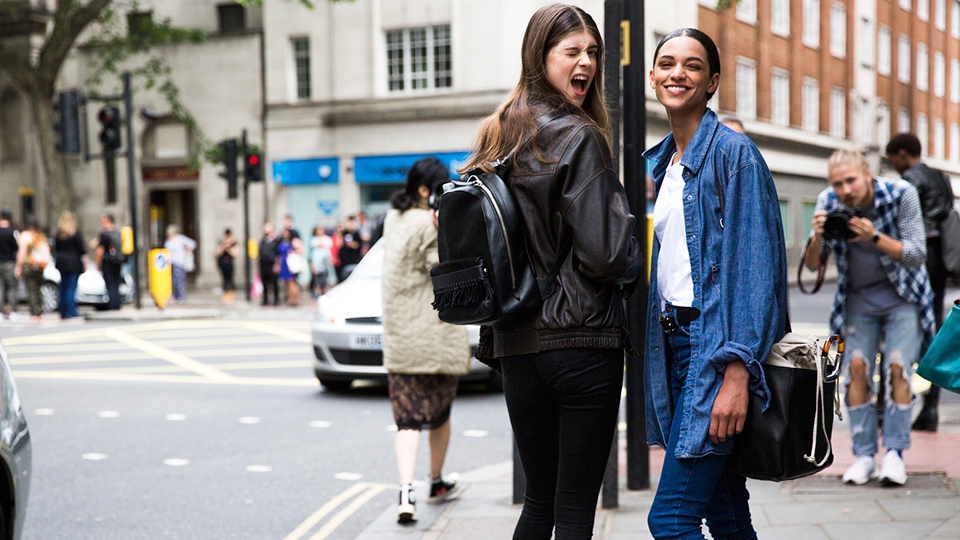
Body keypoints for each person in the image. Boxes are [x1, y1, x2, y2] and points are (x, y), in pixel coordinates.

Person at [464, 5, 643, 538]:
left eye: (593, 52)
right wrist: (635, 254)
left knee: (538, 503)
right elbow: (607, 254)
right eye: (572, 51)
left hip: (516, 344)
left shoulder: (496, 135)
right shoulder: (578, 136)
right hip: (582, 341)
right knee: (571, 514)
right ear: (540, 58)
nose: (586, 62)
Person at [641, 28, 788, 539]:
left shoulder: (734, 155)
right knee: (725, 513)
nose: (677, 73)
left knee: (671, 520)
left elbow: (756, 273)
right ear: (653, 76)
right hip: (676, 345)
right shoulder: (664, 163)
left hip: (714, 353)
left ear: (712, 82)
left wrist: (736, 372)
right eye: (667, 63)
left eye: (693, 65)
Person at [804, 148, 934, 487]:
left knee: (898, 368)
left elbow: (917, 254)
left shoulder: (901, 194)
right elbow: (812, 264)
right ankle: (863, 456)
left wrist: (872, 236)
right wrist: (818, 234)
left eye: (851, 180)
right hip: (857, 302)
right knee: (856, 369)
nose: (845, 190)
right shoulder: (828, 201)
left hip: (902, 299)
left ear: (867, 173)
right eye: (837, 183)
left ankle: (894, 453)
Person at [381, 157, 470, 524]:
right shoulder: (428, 224)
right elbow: (445, 267)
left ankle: (405, 491)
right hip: (433, 337)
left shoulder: (393, 218)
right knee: (439, 414)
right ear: (423, 191)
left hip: (401, 336)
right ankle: (434, 482)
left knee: (407, 421)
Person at [885, 133, 955, 432]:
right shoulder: (940, 176)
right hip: (940, 260)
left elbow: (902, 220)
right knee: (936, 325)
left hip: (916, 260)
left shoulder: (909, 180)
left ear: (901, 154)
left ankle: (886, 404)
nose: (894, 165)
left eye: (892, 159)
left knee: (899, 325)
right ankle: (931, 408)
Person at [15, 215, 52, 322]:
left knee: (30, 288)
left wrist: (18, 266)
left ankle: (34, 312)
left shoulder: (25, 235)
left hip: (29, 264)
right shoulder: (39, 235)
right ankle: (39, 311)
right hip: (39, 266)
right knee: (38, 288)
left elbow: (22, 252)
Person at [54, 211, 86, 321]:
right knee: (71, 288)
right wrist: (84, 263)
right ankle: (72, 311)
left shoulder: (58, 234)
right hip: (73, 262)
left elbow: (56, 249)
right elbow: (82, 250)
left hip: (61, 262)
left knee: (63, 287)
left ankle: (63, 312)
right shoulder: (75, 233)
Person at [96, 213, 123, 311]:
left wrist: (97, 264)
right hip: (117, 262)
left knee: (110, 285)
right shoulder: (117, 233)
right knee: (116, 284)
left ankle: (113, 306)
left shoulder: (104, 234)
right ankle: (117, 304)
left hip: (107, 262)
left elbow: (100, 251)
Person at [164, 225, 196, 303]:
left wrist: (187, 251)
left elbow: (192, 244)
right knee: (172, 281)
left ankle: (181, 296)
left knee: (179, 280)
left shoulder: (180, 238)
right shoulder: (168, 240)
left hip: (179, 262)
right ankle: (174, 296)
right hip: (170, 263)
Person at [276, 228, 303, 306]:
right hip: (283, 263)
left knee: (292, 283)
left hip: (290, 264)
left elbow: (300, 251)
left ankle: (296, 299)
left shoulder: (293, 242)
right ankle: (290, 299)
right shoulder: (281, 242)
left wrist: (292, 252)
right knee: (287, 283)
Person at [0, 208, 18, 318]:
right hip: (9, 262)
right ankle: (12, 311)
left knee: (0, 288)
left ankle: (1, 312)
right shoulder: (11, 232)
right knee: (11, 288)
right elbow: (16, 248)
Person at [258, 222, 281, 306]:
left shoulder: (276, 241)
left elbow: (278, 254)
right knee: (265, 283)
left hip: (272, 264)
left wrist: (277, 264)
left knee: (274, 283)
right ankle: (265, 300)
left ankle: (276, 299)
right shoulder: (263, 241)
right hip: (264, 265)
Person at [216, 228, 239, 304]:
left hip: (230, 263)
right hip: (223, 264)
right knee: (224, 280)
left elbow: (234, 254)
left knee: (230, 280)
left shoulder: (234, 243)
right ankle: (225, 297)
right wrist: (224, 245)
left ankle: (231, 297)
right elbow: (218, 252)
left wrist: (229, 247)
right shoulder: (222, 242)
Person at [308, 226, 332, 297]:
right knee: (317, 279)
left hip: (325, 261)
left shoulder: (327, 239)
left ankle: (325, 292)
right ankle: (317, 293)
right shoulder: (313, 239)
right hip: (316, 261)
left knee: (325, 278)